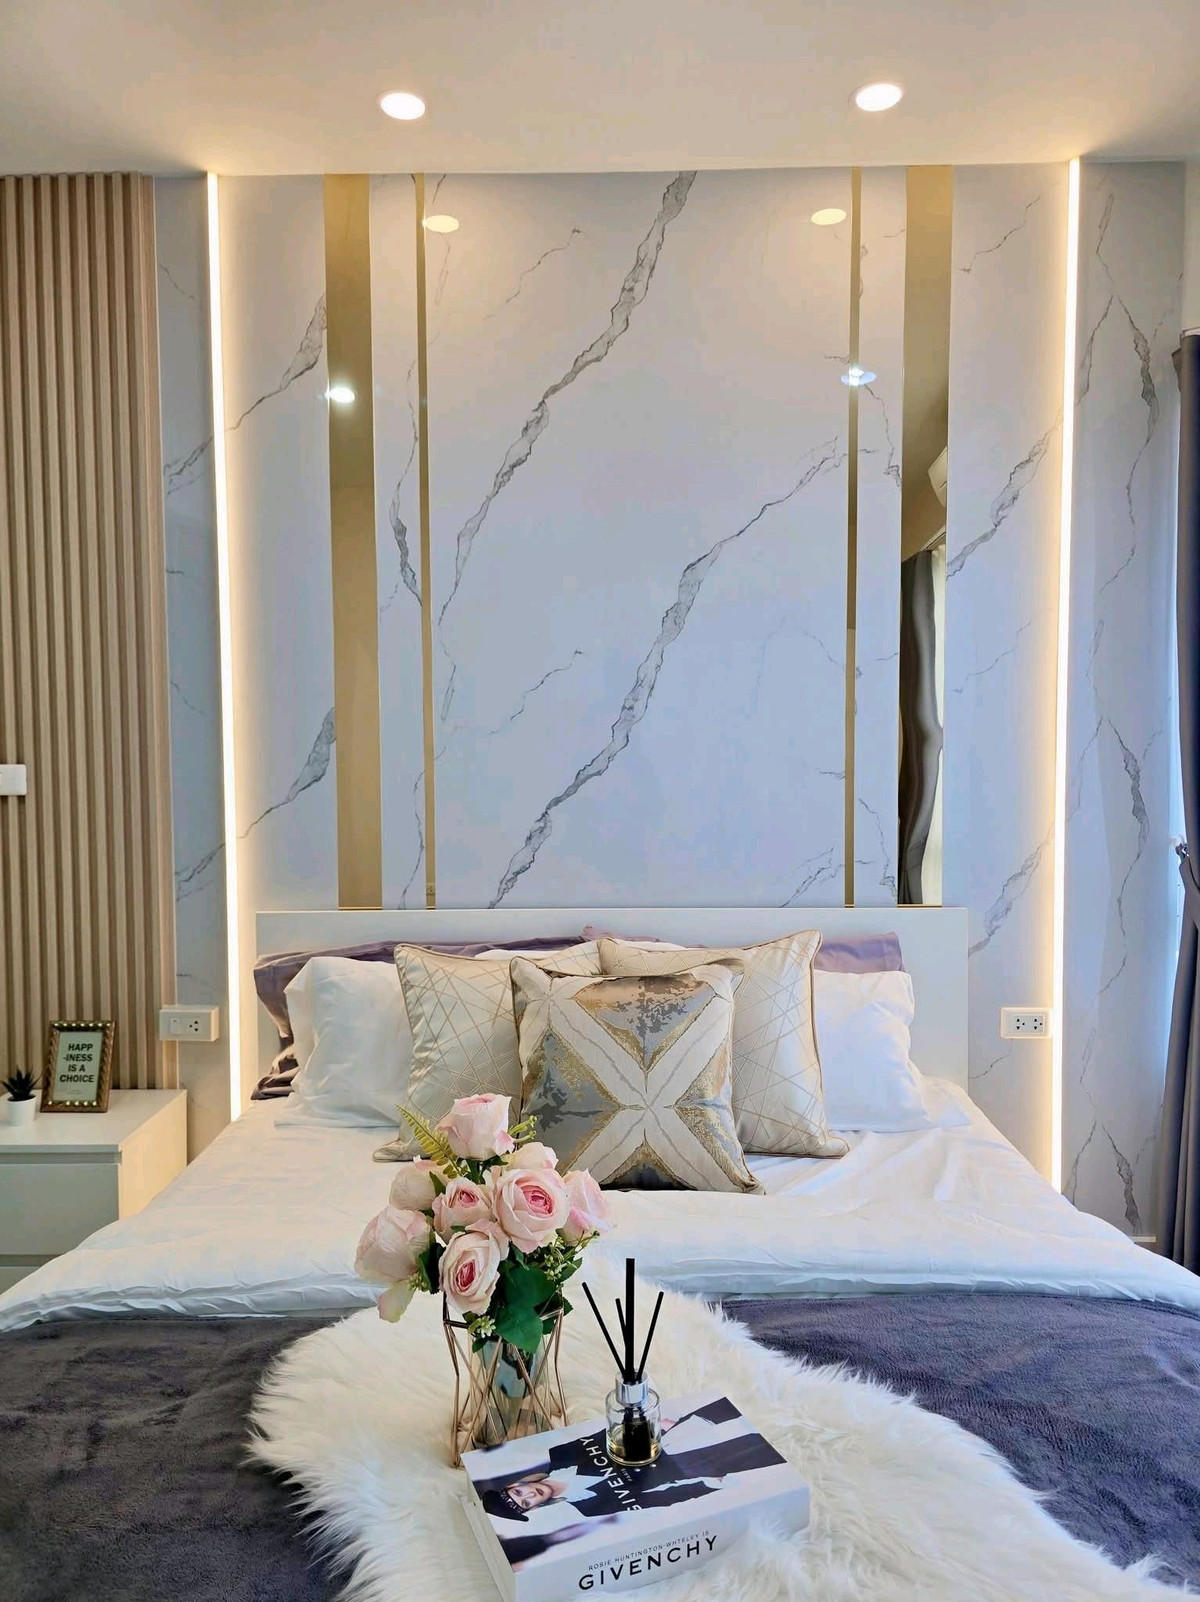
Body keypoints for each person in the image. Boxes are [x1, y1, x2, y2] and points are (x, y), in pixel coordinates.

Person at [478, 1396, 785, 1528]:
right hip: (692, 1467)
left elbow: (607, 1431)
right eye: (526, 1503)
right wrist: (707, 1485)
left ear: (516, 1483)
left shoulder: (560, 1454)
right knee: (764, 1447)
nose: (529, 1495)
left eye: (519, 1492)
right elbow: (659, 1499)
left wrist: (653, 1424)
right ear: (533, 1508)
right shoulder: (587, 1508)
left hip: (668, 1434)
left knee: (746, 1410)